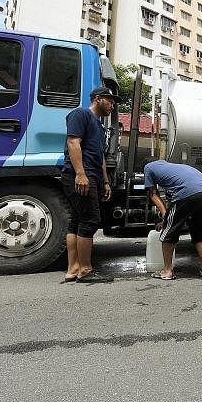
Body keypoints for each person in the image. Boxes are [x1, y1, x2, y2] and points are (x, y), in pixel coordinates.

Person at [61, 87, 119, 283]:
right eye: (110, 100)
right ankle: (85, 270)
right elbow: (73, 143)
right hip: (80, 175)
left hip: (93, 175)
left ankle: (73, 269)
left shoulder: (100, 126)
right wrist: (80, 174)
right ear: (98, 99)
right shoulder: (81, 114)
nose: (112, 105)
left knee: (77, 220)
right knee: (91, 219)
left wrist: (105, 181)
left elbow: (100, 155)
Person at [144, 159, 202, 280]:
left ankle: (167, 271)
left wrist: (166, 218)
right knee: (200, 234)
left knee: (168, 234)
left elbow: (153, 194)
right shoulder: (172, 167)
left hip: (187, 193)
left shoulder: (148, 167)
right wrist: (168, 218)